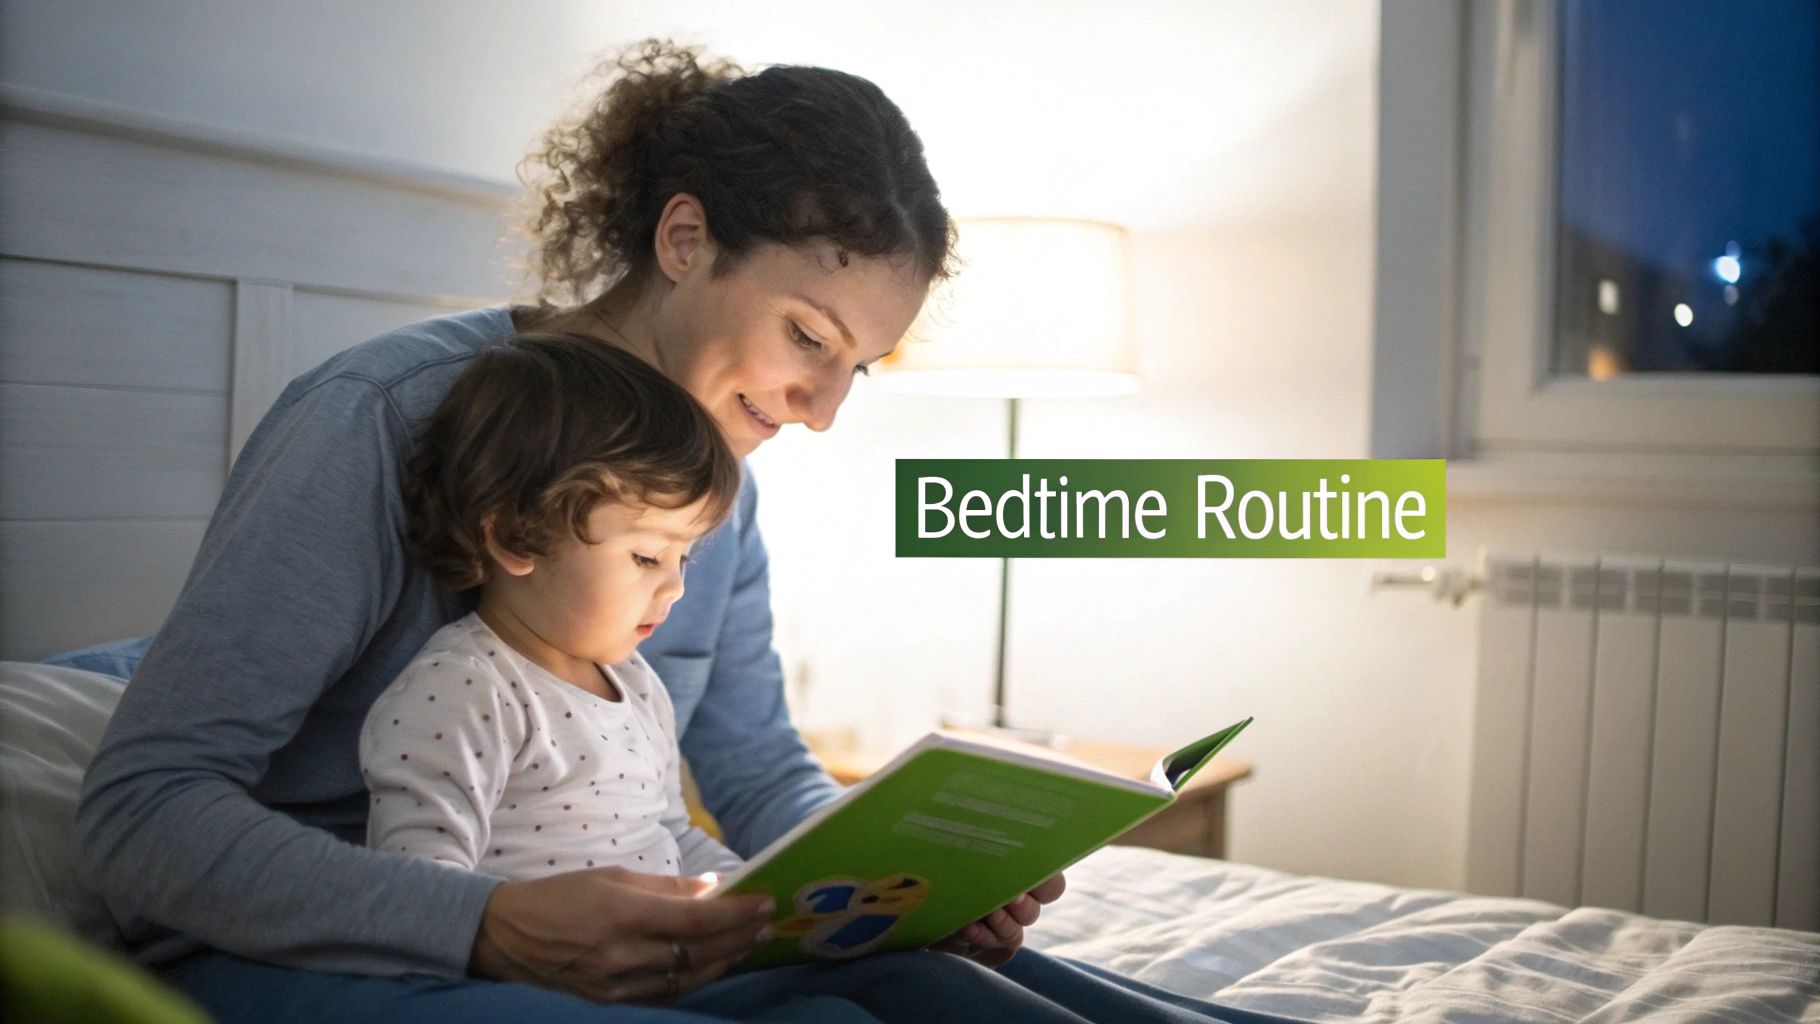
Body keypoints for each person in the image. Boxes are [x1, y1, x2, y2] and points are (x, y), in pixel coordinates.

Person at [73, 38, 1296, 1024]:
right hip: (326, 956)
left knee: (945, 987)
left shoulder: (719, 484)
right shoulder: (376, 419)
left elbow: (758, 772)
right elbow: (142, 812)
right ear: (681, 239)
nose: (818, 412)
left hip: (630, 934)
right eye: (808, 338)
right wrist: (483, 923)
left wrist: (916, 878)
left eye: (855, 368)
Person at [358, 332, 747, 887]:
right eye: (646, 556)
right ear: (518, 538)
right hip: (544, 970)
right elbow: (422, 886)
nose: (676, 588)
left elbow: (672, 835)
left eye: (683, 558)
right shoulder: (464, 691)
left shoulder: (637, 685)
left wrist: (756, 898)